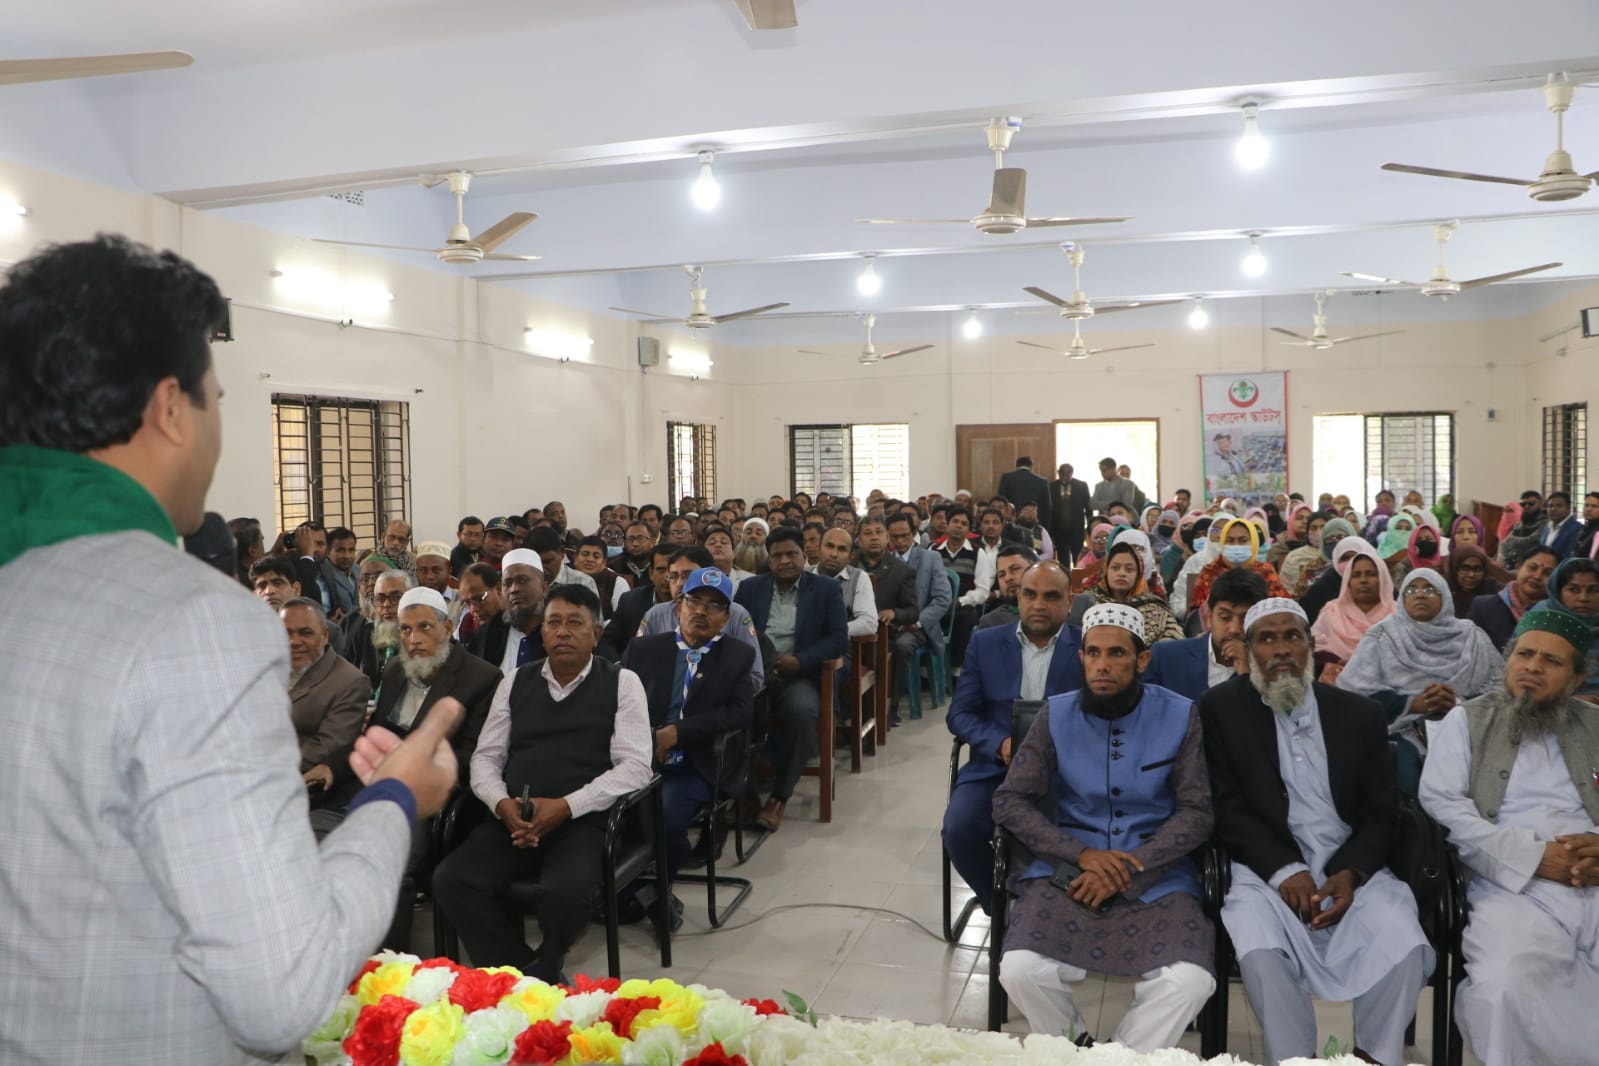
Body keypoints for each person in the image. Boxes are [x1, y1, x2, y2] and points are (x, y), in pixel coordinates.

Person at [0, 234, 461, 1063]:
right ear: (171, 409)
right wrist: (394, 800)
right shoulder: (190, 621)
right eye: (215, 398)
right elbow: (278, 988)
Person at [1201, 599, 1431, 1066]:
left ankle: (1373, 1056)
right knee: (1262, 955)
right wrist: (1284, 870)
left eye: (1292, 636)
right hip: (1264, 869)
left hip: (1351, 867)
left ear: (1310, 645)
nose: (1281, 649)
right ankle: (1293, 1061)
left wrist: (1351, 873)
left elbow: (1382, 812)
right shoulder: (1221, 709)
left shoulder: (1359, 714)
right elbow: (1224, 806)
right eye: (1267, 639)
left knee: (1404, 944)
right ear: (1248, 650)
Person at [994, 602, 1215, 1051]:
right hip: (1068, 871)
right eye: (1093, 653)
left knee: (1190, 981)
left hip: (1156, 873)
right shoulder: (1055, 715)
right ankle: (1075, 1049)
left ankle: (1118, 1057)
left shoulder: (1180, 715)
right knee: (1019, 969)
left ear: (1142, 660)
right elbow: (1009, 800)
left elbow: (1197, 812)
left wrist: (1133, 865)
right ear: (1081, 658)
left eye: (1117, 654)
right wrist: (1081, 855)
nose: (1102, 665)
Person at [434, 585, 652, 983]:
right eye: (554, 622)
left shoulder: (623, 683)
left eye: (575, 623)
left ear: (596, 634)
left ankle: (548, 962)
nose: (563, 632)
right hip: (515, 819)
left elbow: (635, 767)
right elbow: (486, 757)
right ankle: (523, 974)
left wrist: (567, 806)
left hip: (585, 822)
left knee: (565, 894)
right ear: (543, 631)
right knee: (452, 878)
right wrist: (501, 804)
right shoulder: (516, 681)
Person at [1417, 608, 1599, 1066]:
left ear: (1578, 678)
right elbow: (1442, 804)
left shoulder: (1596, 724)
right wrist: (1532, 857)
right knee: (1508, 983)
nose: (1533, 666)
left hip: (1594, 874)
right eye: (1525, 654)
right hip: (1509, 884)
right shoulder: (1466, 721)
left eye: (1552, 661)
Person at [945, 562, 1084, 915]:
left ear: (1069, 601)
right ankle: (1002, 908)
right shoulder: (985, 643)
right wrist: (1000, 743)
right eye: (1030, 594)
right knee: (959, 829)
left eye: (1051, 596)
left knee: (1079, 835)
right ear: (1018, 597)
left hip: (1066, 775)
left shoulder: (1087, 647)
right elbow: (960, 714)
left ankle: (1051, 902)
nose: (1039, 604)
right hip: (995, 770)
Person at [622, 568, 756, 922]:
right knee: (615, 811)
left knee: (666, 815)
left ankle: (657, 891)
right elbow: (620, 702)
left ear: (726, 617)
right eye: (694, 601)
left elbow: (741, 713)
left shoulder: (737, 655)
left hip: (699, 762)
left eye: (714, 606)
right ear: (678, 605)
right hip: (642, 758)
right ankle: (630, 891)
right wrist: (649, 737)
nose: (701, 611)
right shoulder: (644, 649)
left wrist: (679, 732)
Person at [1336, 568, 1504, 794]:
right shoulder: (1382, 636)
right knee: (1405, 778)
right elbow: (1352, 694)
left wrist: (1458, 704)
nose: (1420, 594)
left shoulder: (1472, 636)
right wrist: (1411, 704)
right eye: (1411, 590)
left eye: (1430, 589)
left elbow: (1500, 689)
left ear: (1445, 597)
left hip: (1468, 729)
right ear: (1402, 599)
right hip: (1400, 730)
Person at [736, 527, 848, 831]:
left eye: (791, 554)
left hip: (801, 674)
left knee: (801, 711)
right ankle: (746, 794)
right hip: (756, 673)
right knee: (729, 711)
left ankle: (779, 796)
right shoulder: (750, 588)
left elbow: (837, 639)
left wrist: (800, 661)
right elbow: (736, 632)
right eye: (777, 556)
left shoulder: (825, 589)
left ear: (804, 555)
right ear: (768, 559)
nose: (784, 560)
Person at [637, 547, 765, 695]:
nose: (679, 583)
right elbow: (638, 668)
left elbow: (755, 677)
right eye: (673, 576)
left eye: (687, 575)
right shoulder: (655, 615)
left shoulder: (736, 614)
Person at [284, 598, 371, 798]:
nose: (294, 642)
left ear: (324, 636)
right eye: (286, 633)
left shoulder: (349, 682)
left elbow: (325, 747)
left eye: (305, 633)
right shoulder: (266, 671)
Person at [1144, 568, 1268, 703]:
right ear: (1209, 617)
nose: (1234, 629)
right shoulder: (1165, 657)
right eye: (1225, 617)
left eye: (1245, 619)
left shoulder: (1270, 666)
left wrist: (1247, 674)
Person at [887, 511, 954, 716]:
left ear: (913, 534)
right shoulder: (884, 561)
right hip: (890, 624)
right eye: (895, 537)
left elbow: (943, 599)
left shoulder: (930, 558)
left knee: (901, 645)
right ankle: (870, 704)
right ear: (888, 536)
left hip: (920, 626)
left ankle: (892, 705)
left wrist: (916, 623)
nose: (900, 541)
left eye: (905, 536)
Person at [1067, 540, 1184, 645]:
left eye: (1129, 569)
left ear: (1138, 575)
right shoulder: (1087, 602)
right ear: (1106, 572)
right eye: (1115, 568)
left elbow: (1173, 642)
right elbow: (1069, 638)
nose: (1122, 573)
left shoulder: (1154, 606)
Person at [1187, 517, 1290, 618]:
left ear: (1253, 542)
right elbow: (1197, 612)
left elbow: (1283, 607)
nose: (1236, 545)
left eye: (1243, 540)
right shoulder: (1210, 571)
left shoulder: (1265, 571)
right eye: (1230, 541)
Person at [1531, 557, 1599, 700]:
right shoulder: (1542, 618)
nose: (1583, 598)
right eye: (1573, 589)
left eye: (1593, 590)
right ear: (1558, 591)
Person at [470, 548, 547, 674]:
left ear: (544, 588)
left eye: (523, 580)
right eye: (508, 583)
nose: (514, 589)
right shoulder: (489, 633)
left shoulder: (556, 633)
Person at [1468, 546, 1559, 651]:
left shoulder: (1556, 617)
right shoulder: (1483, 607)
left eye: (1547, 573)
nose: (1537, 576)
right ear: (1519, 567)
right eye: (1532, 567)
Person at [598, 544, 675, 662]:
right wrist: (619, 667)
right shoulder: (631, 601)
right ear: (651, 573)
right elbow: (607, 642)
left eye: (672, 571)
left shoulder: (693, 605)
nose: (667, 577)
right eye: (661, 570)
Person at [815, 526, 878, 639]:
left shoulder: (859, 578)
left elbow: (869, 623)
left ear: (850, 557)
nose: (834, 554)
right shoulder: (803, 575)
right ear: (818, 549)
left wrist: (832, 631)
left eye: (842, 549)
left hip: (839, 645)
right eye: (829, 546)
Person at [978, 544, 1038, 629]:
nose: (1008, 578)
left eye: (1015, 569)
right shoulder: (991, 623)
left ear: (1036, 570)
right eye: (1001, 575)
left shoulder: (1055, 612)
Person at [572, 534, 627, 618]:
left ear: (604, 562)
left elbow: (623, 619)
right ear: (575, 558)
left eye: (596, 556)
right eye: (585, 554)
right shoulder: (565, 580)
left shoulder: (617, 582)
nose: (590, 559)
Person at [1049, 462, 1092, 565]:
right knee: (1063, 558)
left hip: (1077, 529)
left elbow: (1088, 508)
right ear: (1058, 473)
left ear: (1072, 473)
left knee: (1078, 557)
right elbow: (1048, 509)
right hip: (1059, 529)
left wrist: (1090, 528)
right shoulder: (1051, 486)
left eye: (1067, 474)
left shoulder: (1081, 486)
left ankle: (1077, 575)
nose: (1065, 476)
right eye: (1062, 474)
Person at [997, 455, 1052, 530]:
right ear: (1031, 466)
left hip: (1012, 523)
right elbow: (1047, 507)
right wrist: (1045, 527)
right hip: (1034, 523)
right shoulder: (1043, 481)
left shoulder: (1006, 478)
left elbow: (1000, 501)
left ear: (1017, 465)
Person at [1497, 490, 1547, 570]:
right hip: (1514, 564)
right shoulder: (1520, 524)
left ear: (1541, 504)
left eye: (1531, 503)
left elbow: (1532, 542)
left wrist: (1511, 541)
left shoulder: (1545, 522)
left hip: (1535, 564)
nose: (1526, 506)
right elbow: (1504, 544)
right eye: (1523, 504)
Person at [612, 520, 656, 588]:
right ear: (625, 543)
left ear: (652, 542)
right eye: (630, 539)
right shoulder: (614, 567)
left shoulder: (659, 565)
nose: (635, 544)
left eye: (641, 538)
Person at [1540, 490, 1582, 558]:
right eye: (1550, 506)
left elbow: (1569, 557)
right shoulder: (1546, 527)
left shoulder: (1577, 529)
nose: (1553, 509)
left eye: (1559, 506)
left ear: (1568, 508)